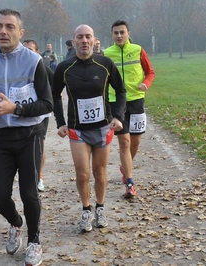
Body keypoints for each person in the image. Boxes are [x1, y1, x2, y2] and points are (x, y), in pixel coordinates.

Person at [0, 9, 53, 266]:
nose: (3, 31)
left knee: (29, 194)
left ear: (21, 32)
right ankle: (16, 222)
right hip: (1, 138)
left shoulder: (33, 60)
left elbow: (47, 103)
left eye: (9, 27)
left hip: (30, 135)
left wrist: (15, 109)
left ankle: (34, 242)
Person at [52, 24, 126, 233]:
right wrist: (60, 122)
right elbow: (55, 94)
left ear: (94, 40)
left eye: (88, 37)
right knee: (83, 174)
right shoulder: (64, 68)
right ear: (74, 41)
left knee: (99, 172)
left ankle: (100, 208)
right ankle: (86, 209)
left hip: (103, 127)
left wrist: (118, 117)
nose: (84, 41)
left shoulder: (105, 64)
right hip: (78, 129)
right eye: (80, 37)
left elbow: (120, 91)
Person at [104, 20, 155, 198]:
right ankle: (130, 182)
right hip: (116, 102)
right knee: (124, 142)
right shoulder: (107, 54)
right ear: (112, 35)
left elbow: (150, 72)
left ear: (128, 33)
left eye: (122, 32)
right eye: (116, 33)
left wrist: (146, 83)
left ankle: (125, 166)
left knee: (135, 142)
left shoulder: (138, 50)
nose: (119, 36)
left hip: (136, 101)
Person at [22, 38, 54, 192]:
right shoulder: (18, 68)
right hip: (23, 111)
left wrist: (49, 100)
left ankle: (39, 177)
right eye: (24, 49)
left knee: (39, 144)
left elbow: (55, 85)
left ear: (37, 52)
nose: (26, 52)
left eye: (30, 49)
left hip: (41, 113)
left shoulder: (43, 68)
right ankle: (27, 175)